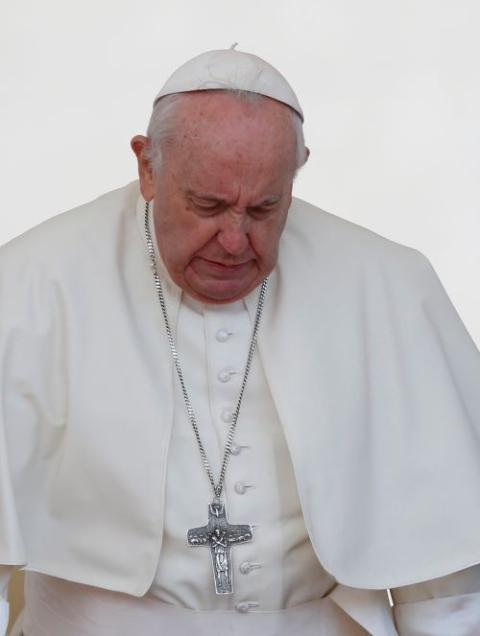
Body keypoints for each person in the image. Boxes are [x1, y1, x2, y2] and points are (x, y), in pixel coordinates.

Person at [1, 46, 480, 636]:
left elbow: (447, 580)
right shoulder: (29, 284)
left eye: (264, 208)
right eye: (207, 205)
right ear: (147, 167)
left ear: (298, 169)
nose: (234, 241)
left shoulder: (387, 285)